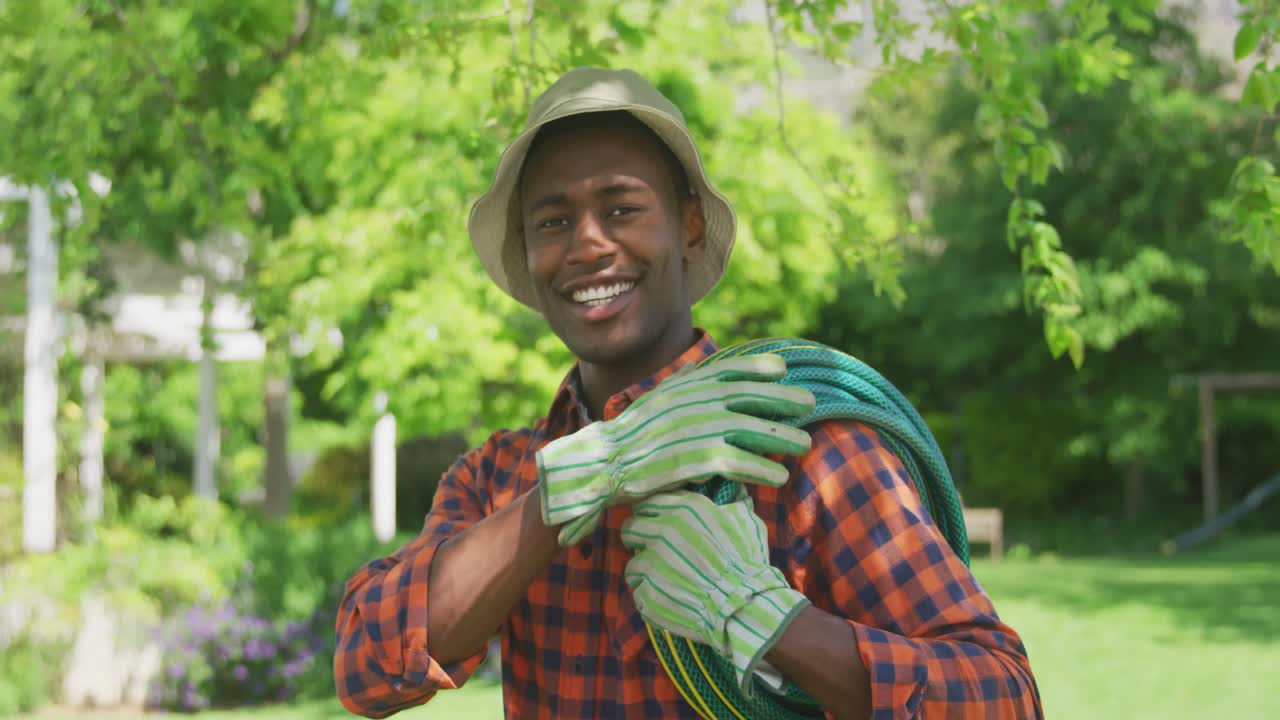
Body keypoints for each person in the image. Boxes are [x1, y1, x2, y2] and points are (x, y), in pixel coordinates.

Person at [334, 67, 1042, 719]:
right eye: (552, 222)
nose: (586, 245)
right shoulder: (499, 478)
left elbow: (1003, 698)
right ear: (528, 253)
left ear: (690, 225)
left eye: (621, 209)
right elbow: (367, 670)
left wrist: (764, 617)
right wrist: (573, 486)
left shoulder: (805, 443)